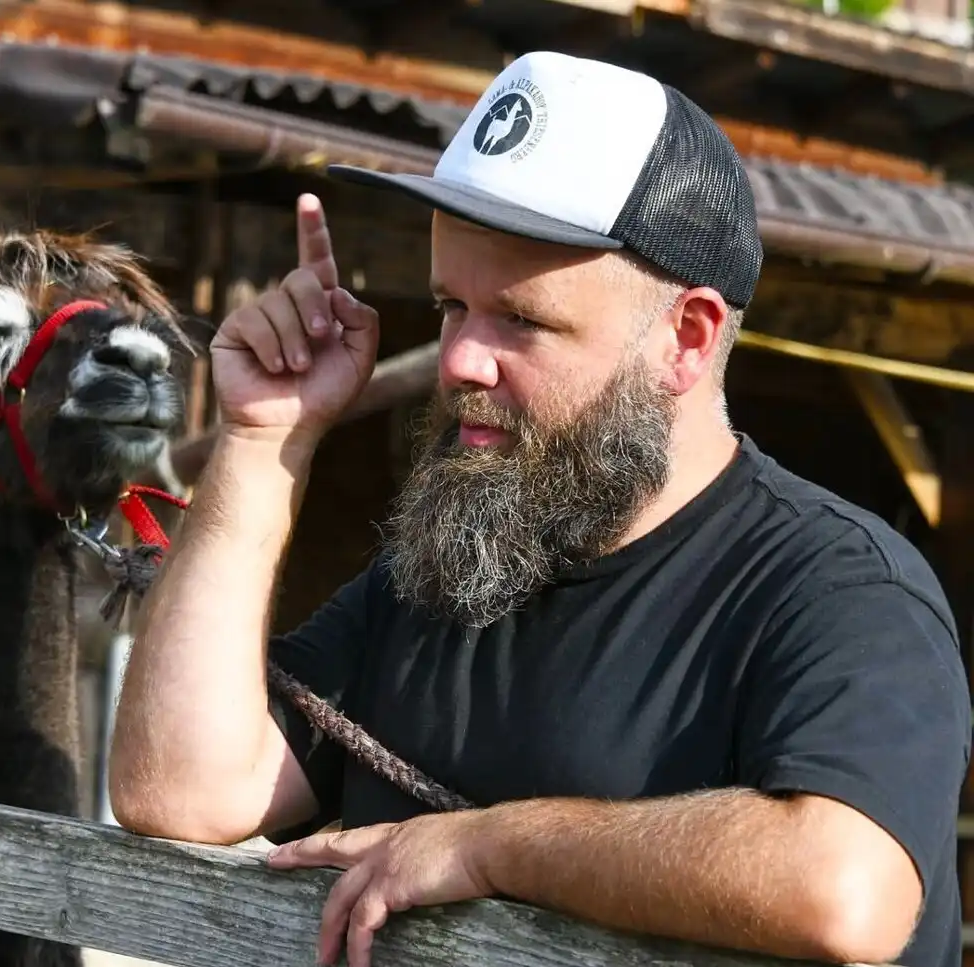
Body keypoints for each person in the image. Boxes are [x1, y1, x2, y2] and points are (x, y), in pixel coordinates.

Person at [107, 51, 971, 967]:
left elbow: (846, 888)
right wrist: (258, 438)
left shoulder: (840, 590)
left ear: (685, 339)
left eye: (521, 319)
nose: (458, 360)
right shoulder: (444, 573)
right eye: (452, 305)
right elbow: (179, 787)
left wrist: (488, 845)